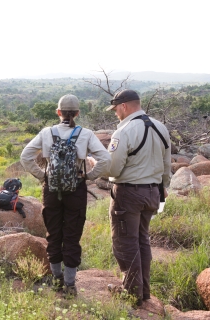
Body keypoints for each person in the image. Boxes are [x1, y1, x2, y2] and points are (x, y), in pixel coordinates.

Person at [20, 94, 110, 297]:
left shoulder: (46, 132)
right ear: (78, 113)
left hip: (51, 190)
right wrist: (89, 176)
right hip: (76, 190)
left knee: (53, 234)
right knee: (72, 236)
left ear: (58, 112)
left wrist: (43, 176)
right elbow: (105, 159)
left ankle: (57, 280)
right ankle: (70, 285)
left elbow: (25, 156)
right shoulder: (85, 134)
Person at [105, 89, 171, 306]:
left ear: (123, 106)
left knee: (125, 242)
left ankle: (131, 293)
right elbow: (166, 167)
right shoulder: (160, 127)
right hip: (153, 192)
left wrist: (98, 166)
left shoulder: (123, 132)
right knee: (142, 240)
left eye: (116, 109)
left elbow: (113, 169)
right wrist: (162, 192)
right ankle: (143, 291)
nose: (116, 113)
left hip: (128, 193)